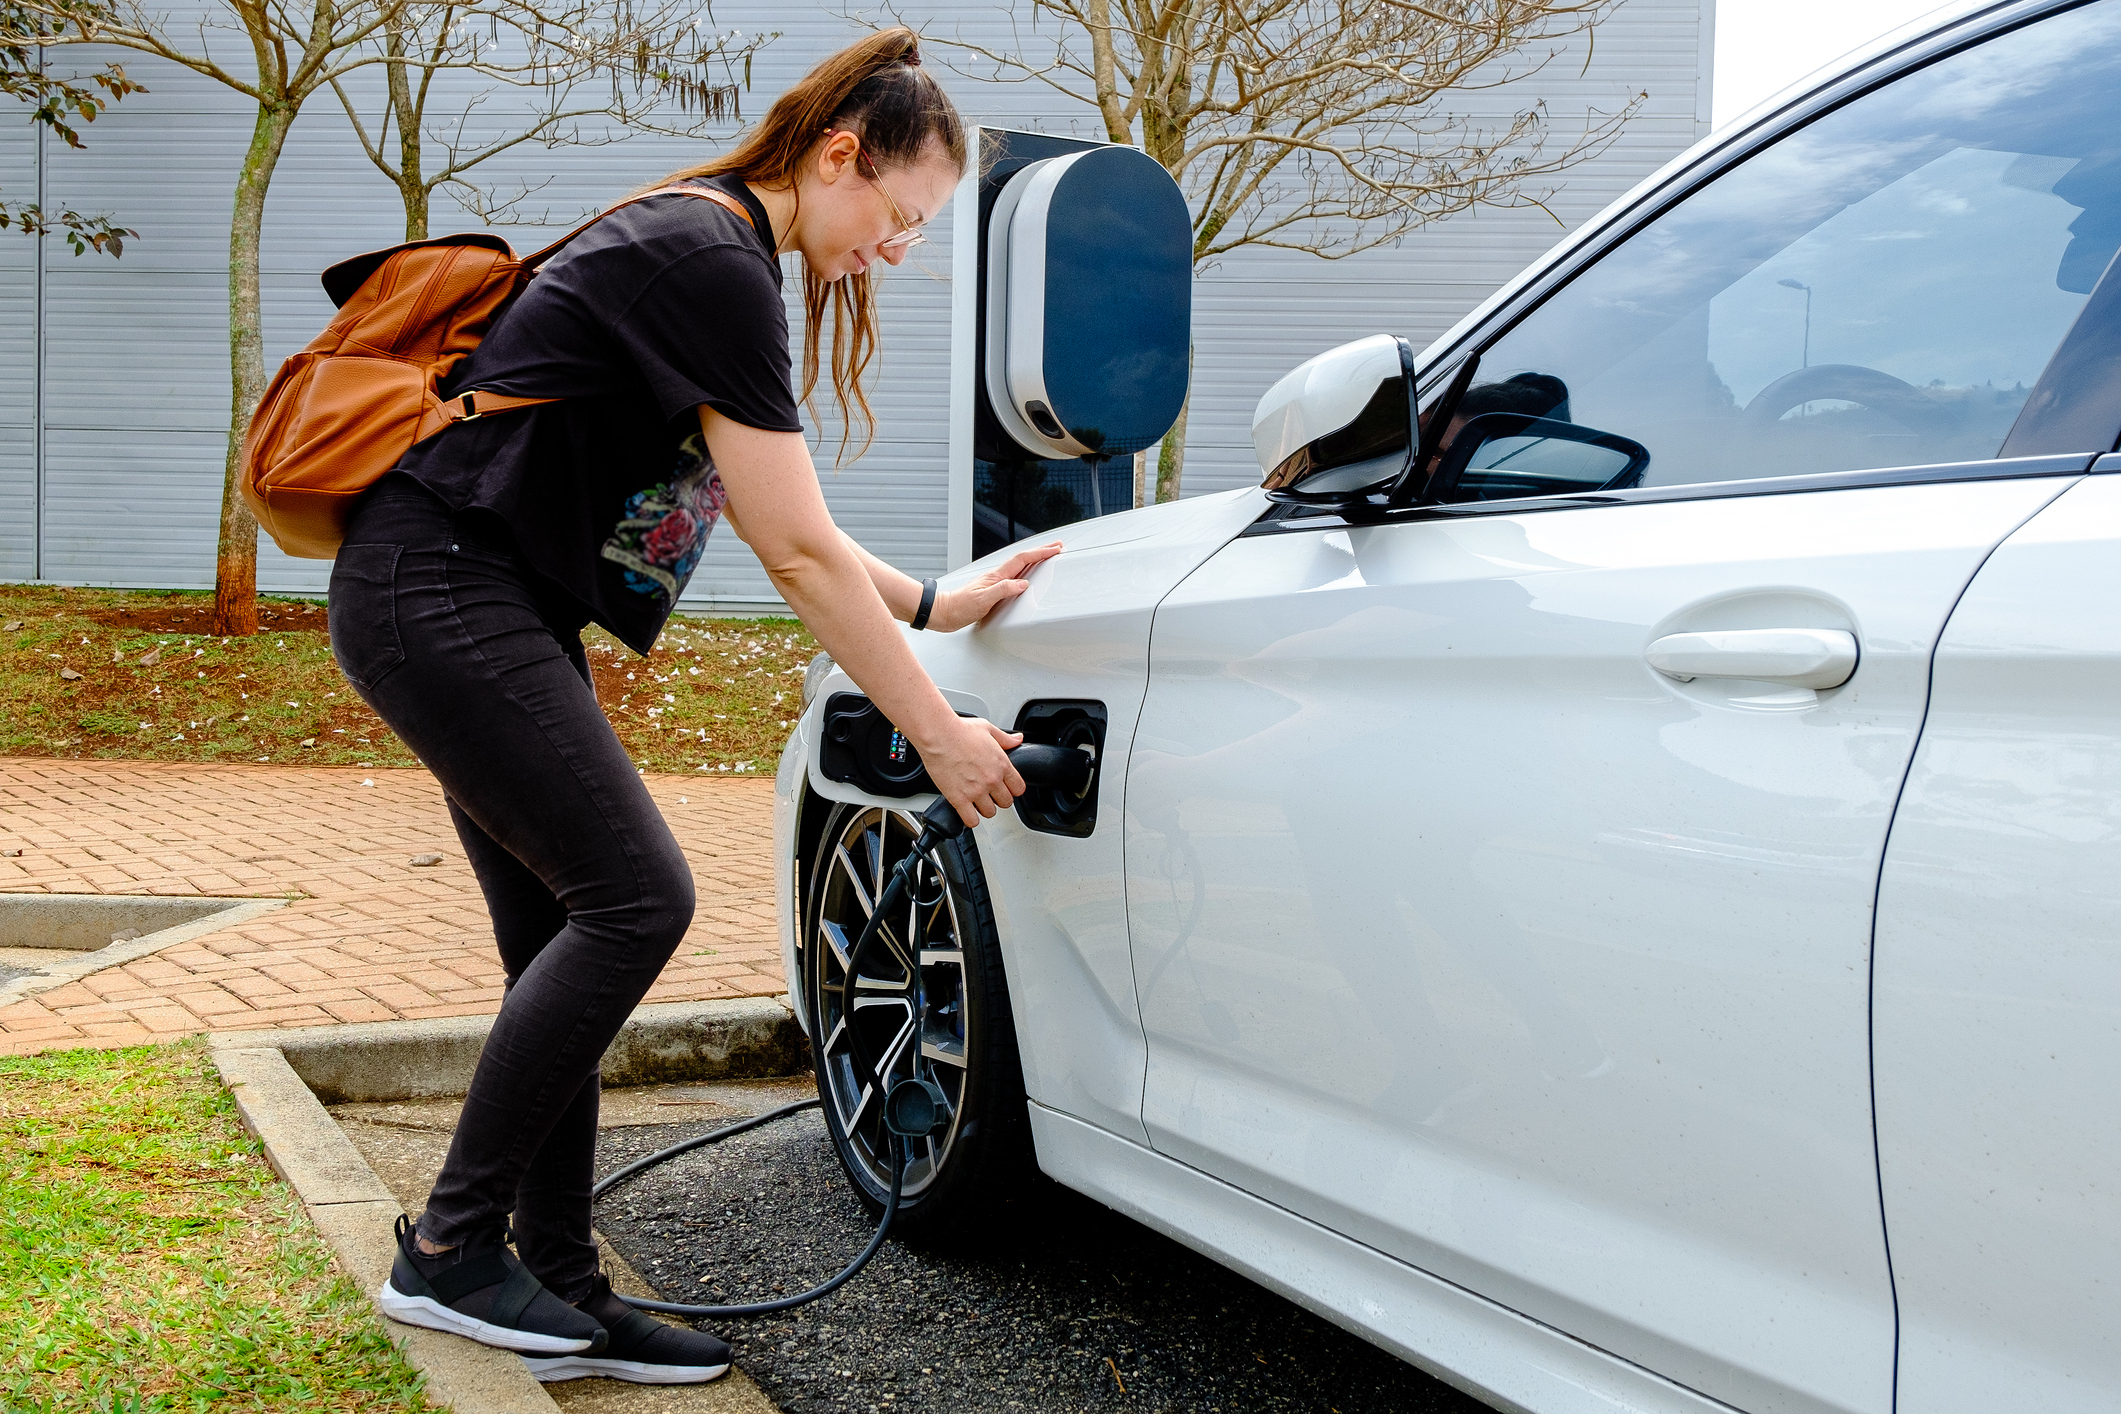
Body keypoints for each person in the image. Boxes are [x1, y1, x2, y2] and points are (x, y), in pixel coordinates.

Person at [327, 28, 1059, 1385]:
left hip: (459, 594)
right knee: (637, 900)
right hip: (443, 589)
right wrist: (939, 736)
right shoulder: (711, 259)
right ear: (838, 157)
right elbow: (796, 553)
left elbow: (799, 525)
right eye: (899, 217)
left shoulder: (707, 243)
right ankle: (451, 1248)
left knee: (563, 930)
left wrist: (935, 603)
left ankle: (554, 1275)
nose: (897, 250)